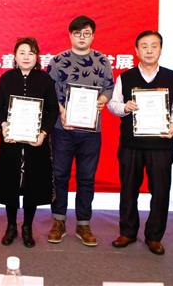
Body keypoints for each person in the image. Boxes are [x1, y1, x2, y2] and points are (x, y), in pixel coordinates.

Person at [107, 30, 173, 255]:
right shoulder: (125, 77)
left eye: (154, 46)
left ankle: (154, 236)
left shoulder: (172, 77)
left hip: (161, 144)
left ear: (160, 49)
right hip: (131, 144)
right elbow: (113, 104)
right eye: (144, 46)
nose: (149, 50)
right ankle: (127, 232)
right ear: (136, 50)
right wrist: (125, 107)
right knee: (128, 189)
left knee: (160, 191)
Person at [46, 15, 114, 246]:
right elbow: (49, 91)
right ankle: (59, 220)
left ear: (93, 36)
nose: (82, 38)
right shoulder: (58, 61)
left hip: (91, 132)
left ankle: (83, 223)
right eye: (77, 33)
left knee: (86, 178)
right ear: (70, 35)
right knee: (60, 175)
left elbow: (109, 87)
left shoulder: (102, 61)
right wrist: (62, 110)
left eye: (86, 33)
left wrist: (103, 100)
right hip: (62, 129)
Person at [0, 37, 59, 248]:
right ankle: (11, 225)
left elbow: (52, 110)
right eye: (22, 52)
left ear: (37, 57)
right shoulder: (6, 78)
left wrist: (43, 133)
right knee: (10, 183)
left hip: (35, 142)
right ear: (14, 56)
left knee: (33, 184)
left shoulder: (45, 79)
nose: (26, 57)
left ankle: (27, 227)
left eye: (31, 53)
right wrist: (3, 125)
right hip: (10, 140)